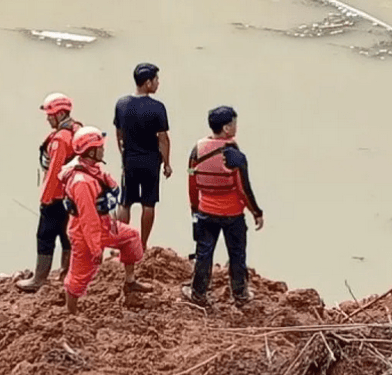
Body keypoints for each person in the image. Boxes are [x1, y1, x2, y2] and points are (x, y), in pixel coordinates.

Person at [60, 126, 153, 315]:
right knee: (80, 274)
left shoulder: (90, 168)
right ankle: (70, 312)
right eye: (99, 147)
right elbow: (88, 219)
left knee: (131, 237)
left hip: (104, 224)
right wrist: (95, 248)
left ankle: (130, 283)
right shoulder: (82, 182)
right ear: (90, 151)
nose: (103, 149)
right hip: (84, 232)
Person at [181, 106, 264, 307]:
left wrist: (194, 207)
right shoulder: (234, 155)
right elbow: (244, 188)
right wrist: (256, 212)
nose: (236, 127)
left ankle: (198, 294)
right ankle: (240, 295)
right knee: (237, 254)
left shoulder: (197, 150)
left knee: (204, 253)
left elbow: (191, 180)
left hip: (205, 211)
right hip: (232, 214)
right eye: (234, 123)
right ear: (227, 128)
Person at [16, 93, 83, 292]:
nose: (47, 118)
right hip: (72, 194)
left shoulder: (60, 139)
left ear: (60, 114)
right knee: (67, 234)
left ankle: (39, 278)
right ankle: (66, 273)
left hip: (57, 195)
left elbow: (54, 171)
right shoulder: (76, 130)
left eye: (50, 114)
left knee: (45, 235)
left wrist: (46, 198)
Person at [112, 62, 172, 251]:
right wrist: (167, 164)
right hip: (150, 160)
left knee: (125, 201)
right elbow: (163, 139)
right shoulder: (157, 107)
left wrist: (123, 154)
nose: (157, 83)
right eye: (156, 80)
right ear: (147, 83)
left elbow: (118, 134)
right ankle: (142, 244)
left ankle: (124, 242)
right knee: (149, 202)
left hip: (130, 159)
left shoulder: (121, 104)